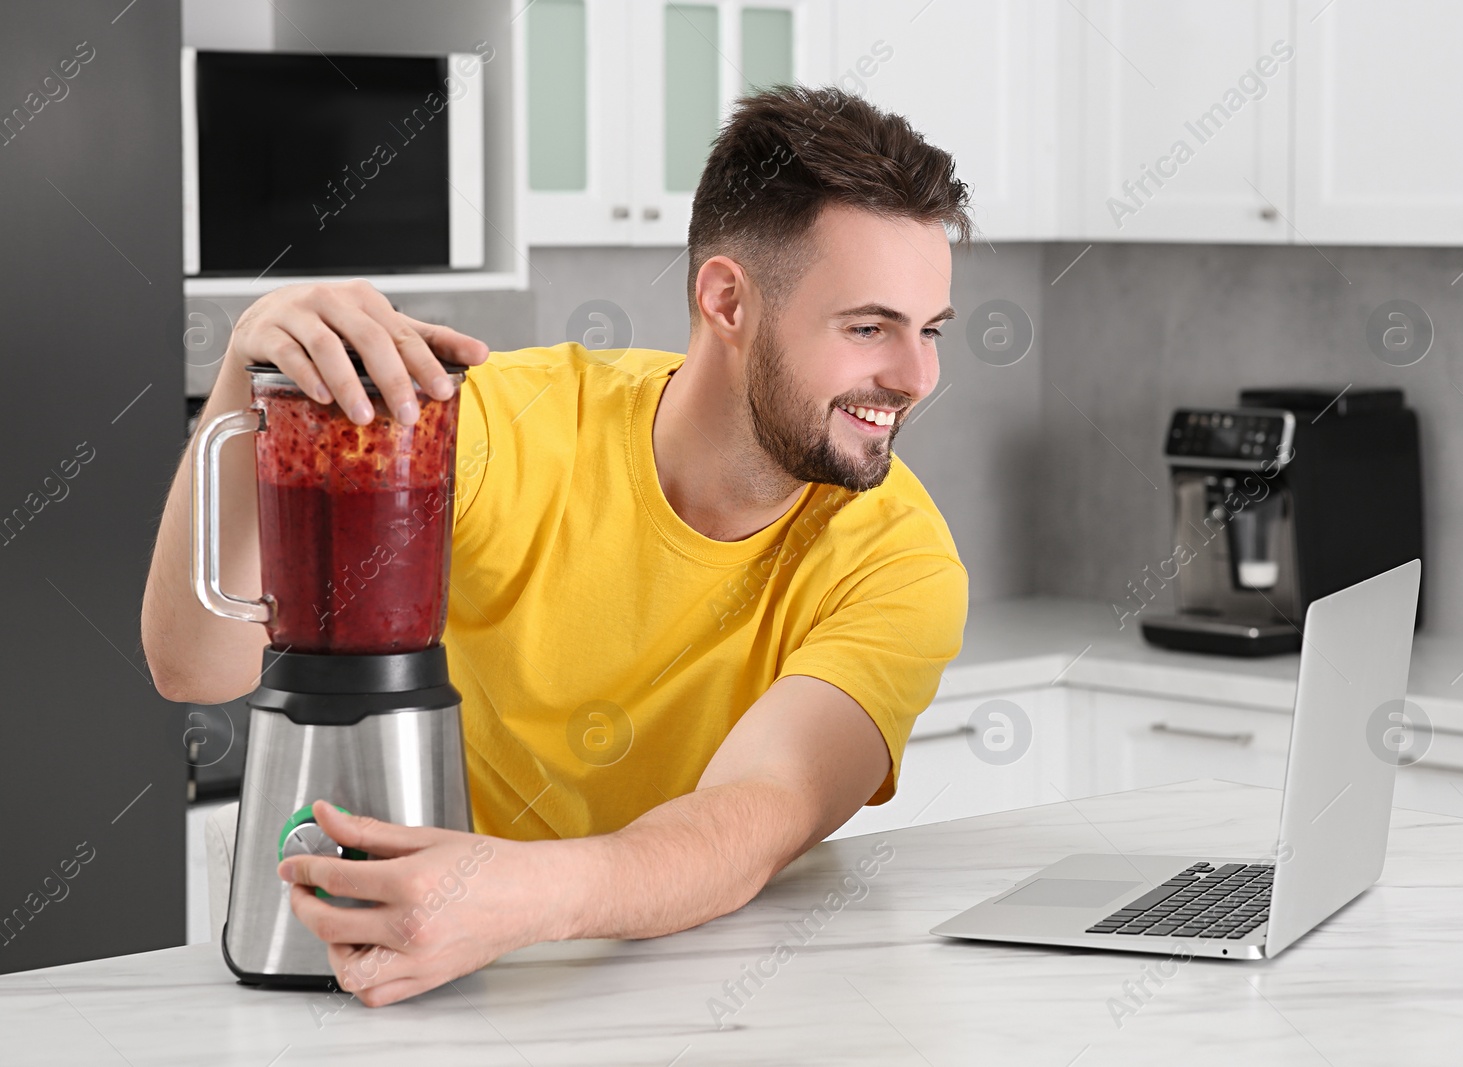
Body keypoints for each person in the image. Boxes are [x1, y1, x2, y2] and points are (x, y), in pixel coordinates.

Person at [141, 85, 972, 1006]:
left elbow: (758, 813)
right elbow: (196, 663)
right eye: (869, 328)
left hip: (689, 994)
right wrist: (243, 381)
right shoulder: (500, 425)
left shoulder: (903, 561)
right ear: (727, 299)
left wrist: (516, 896)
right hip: (397, 981)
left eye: (929, 331)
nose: (916, 376)